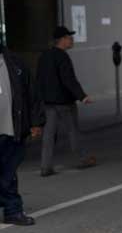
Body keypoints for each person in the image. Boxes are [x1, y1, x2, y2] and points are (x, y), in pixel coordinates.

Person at [36, 26, 96, 177]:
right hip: (64, 103)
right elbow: (68, 79)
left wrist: (40, 99)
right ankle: (83, 158)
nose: (71, 40)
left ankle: (45, 166)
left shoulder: (44, 56)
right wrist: (82, 96)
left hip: (48, 103)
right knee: (73, 131)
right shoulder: (62, 57)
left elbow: (39, 80)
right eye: (69, 37)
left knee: (48, 135)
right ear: (62, 40)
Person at [0, 42, 44, 225]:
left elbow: (31, 94)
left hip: (11, 128)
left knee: (9, 172)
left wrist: (36, 122)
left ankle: (13, 211)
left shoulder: (15, 63)